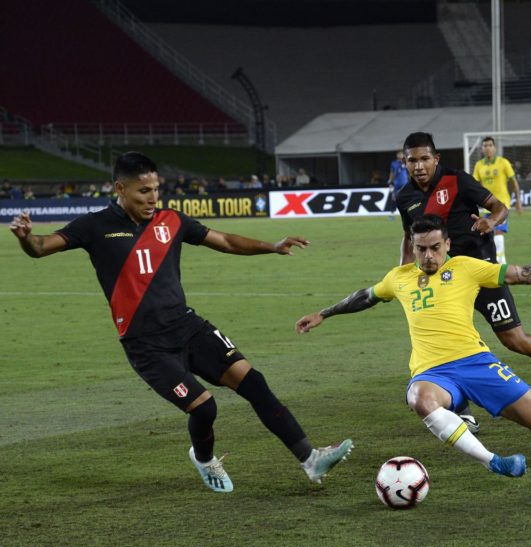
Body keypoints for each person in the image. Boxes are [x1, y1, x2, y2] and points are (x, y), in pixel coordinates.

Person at [8, 152, 354, 492]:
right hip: (146, 344)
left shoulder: (171, 221)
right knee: (205, 408)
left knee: (255, 384)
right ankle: (204, 459)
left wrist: (272, 246)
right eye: (144, 191)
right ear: (120, 189)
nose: (153, 197)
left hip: (188, 327)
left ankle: (311, 459)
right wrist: (25, 237)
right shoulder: (95, 226)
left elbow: (226, 241)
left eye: (156, 189)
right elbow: (41, 247)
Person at [296, 215, 531, 477]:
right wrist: (324, 313)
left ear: (447, 245)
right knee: (419, 398)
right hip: (433, 373)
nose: (428, 255)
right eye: (421, 249)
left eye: (434, 248)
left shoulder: (466, 268)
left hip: (477, 363)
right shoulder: (399, 278)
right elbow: (365, 296)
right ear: (413, 248)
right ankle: (494, 462)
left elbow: (523, 275)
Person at [395, 132, 531, 415]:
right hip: (442, 280)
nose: (418, 166)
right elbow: (409, 236)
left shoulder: (457, 180)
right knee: (445, 343)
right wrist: (404, 271)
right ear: (404, 162)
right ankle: (461, 408)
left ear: (436, 158)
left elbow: (499, 207)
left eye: (424, 159)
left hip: (478, 269)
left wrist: (490, 221)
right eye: (412, 160)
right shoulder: (404, 197)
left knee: (513, 339)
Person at [472, 136, 524, 264]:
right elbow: (474, 185)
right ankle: (492, 261)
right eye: (485, 146)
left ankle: (502, 262)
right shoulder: (479, 165)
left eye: (490, 145)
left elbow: (514, 181)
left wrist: (518, 200)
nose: (488, 148)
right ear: (482, 149)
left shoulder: (503, 162)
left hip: (502, 205)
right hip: (486, 206)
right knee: (486, 232)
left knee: (499, 231)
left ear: (494, 148)